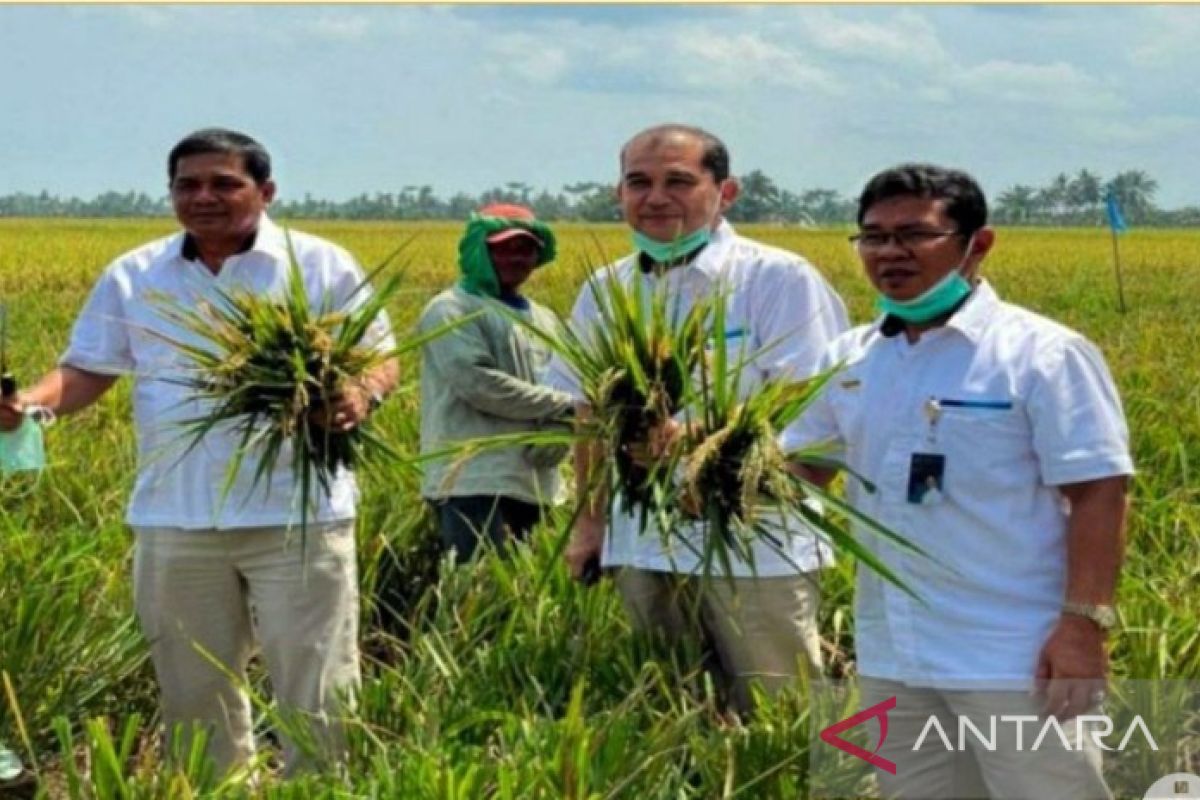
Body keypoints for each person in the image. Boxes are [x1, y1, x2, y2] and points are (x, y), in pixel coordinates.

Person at [0, 128, 399, 777]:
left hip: (297, 515)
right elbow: (86, 368)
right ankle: (216, 790)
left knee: (318, 687)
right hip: (174, 518)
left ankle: (321, 790)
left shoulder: (318, 265)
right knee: (193, 695)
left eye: (224, 183)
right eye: (188, 185)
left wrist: (356, 396)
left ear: (265, 192)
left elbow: (380, 358)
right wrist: (32, 408)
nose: (203, 197)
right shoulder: (135, 275)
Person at [783, 163, 1132, 799]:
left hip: (1013, 652)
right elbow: (803, 469)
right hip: (894, 650)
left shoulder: (1043, 354)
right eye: (874, 237)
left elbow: (1099, 492)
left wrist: (1083, 627)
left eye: (915, 235)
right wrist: (699, 459)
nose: (891, 253)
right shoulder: (851, 358)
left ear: (979, 243)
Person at [547, 123, 850, 714]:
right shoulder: (605, 290)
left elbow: (812, 400)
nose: (656, 197)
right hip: (642, 543)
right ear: (619, 194)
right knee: (674, 704)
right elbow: (588, 417)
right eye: (639, 182)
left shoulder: (776, 278)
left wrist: (703, 437)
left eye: (678, 181)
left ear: (725, 192)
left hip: (755, 540)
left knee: (781, 709)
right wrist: (590, 523)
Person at [417, 203, 574, 564]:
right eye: (502, 248)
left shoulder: (545, 319)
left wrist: (561, 429)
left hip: (537, 482)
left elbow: (571, 383)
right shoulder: (452, 309)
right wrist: (567, 407)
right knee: (480, 590)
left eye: (525, 249)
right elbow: (479, 384)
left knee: (532, 593)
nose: (515, 258)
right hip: (473, 481)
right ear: (478, 251)